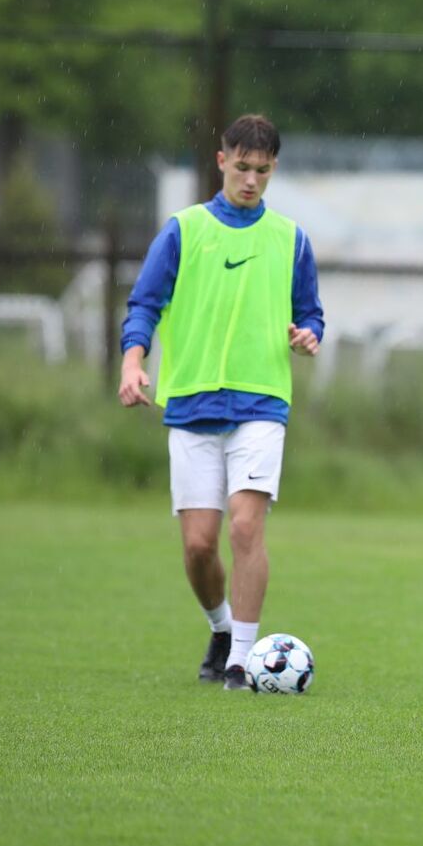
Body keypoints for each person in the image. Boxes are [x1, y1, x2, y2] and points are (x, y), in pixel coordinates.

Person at [118, 114, 324, 692]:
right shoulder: (183, 231)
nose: (251, 181)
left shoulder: (291, 238)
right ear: (221, 161)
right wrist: (133, 362)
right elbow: (144, 304)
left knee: (244, 528)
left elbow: (311, 314)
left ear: (273, 168)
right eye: (242, 168)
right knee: (199, 545)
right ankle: (220, 625)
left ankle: (241, 662)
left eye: (262, 171)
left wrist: (309, 337)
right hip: (190, 406)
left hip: (261, 404)